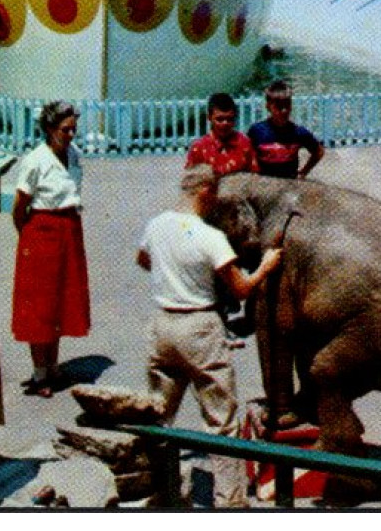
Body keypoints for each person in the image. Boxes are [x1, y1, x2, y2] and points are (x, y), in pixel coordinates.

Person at [138, 165, 283, 508]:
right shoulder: (209, 237)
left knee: (158, 416)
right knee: (221, 421)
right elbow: (242, 289)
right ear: (205, 191)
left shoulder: (156, 224)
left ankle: (160, 491)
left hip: (162, 324)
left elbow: (143, 259)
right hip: (200, 327)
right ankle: (230, 502)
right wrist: (266, 265)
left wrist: (171, 276)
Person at [11, 101, 90, 396]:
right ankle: (40, 373)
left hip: (70, 229)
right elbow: (20, 207)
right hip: (41, 231)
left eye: (73, 130)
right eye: (64, 130)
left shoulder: (74, 155)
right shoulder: (35, 161)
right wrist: (29, 239)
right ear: (49, 129)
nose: (70, 135)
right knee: (40, 304)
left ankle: (54, 366)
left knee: (61, 300)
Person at [246, 80, 324, 179]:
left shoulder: (298, 132)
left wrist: (303, 172)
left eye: (287, 105)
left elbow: (318, 151)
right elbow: (247, 153)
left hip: (289, 184)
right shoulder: (256, 131)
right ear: (268, 107)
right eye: (278, 107)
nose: (284, 110)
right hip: (264, 185)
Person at [185, 92, 259, 178]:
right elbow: (190, 182)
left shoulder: (244, 143)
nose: (225, 123)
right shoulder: (199, 148)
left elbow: (254, 176)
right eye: (219, 119)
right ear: (209, 117)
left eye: (229, 119)